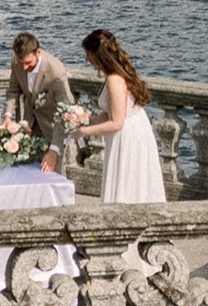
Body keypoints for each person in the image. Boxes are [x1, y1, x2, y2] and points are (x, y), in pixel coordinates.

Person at [70, 29, 165, 204]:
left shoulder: (114, 79)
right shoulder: (117, 74)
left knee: (128, 183)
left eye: (88, 54)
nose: (87, 59)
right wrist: (86, 121)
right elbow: (110, 113)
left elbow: (116, 122)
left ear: (97, 55)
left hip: (128, 135)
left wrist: (84, 132)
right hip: (133, 127)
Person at [4, 32, 74, 173]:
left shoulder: (56, 71)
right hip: (29, 126)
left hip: (54, 128)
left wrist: (54, 149)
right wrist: (8, 115)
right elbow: (13, 89)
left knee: (52, 174)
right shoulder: (16, 61)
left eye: (28, 63)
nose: (24, 68)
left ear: (38, 52)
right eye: (21, 63)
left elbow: (65, 111)